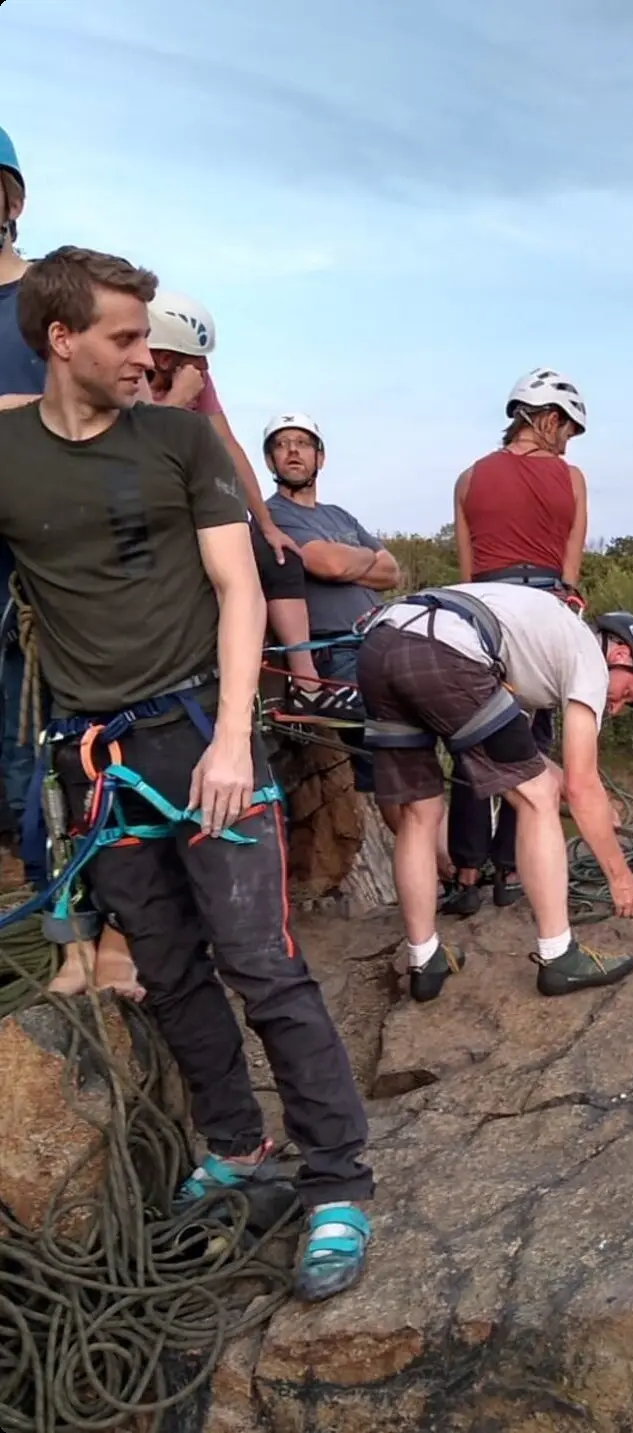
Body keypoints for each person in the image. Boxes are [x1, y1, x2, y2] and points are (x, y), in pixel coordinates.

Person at [0, 245, 373, 1301]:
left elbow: (239, 587)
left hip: (201, 731)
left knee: (262, 961)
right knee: (167, 968)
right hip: (97, 755)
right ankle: (237, 1146)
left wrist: (230, 741)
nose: (147, 355)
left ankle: (339, 1177)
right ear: (62, 339)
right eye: (125, 336)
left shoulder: (178, 442)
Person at [355, 584, 633, 1000]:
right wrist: (620, 876)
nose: (616, 706)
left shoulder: (537, 640)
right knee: (535, 799)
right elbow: (578, 782)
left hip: (381, 644)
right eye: (626, 693)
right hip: (443, 648)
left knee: (419, 811)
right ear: (622, 654)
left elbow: (525, 761)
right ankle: (559, 957)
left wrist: (590, 804)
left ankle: (424, 959)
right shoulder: (589, 656)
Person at [142, 296, 358, 721]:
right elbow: (137, 443)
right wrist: (179, 400)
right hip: (147, 504)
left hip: (188, 495)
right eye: (194, 362)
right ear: (165, 356)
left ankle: (306, 682)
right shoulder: (133, 375)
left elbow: (228, 446)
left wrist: (266, 523)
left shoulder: (195, 378)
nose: (203, 372)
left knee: (275, 555)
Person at [442, 368, 589, 915]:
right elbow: (569, 573)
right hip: (543, 610)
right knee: (528, 749)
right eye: (567, 429)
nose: (567, 442)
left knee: (474, 743)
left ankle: (466, 873)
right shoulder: (572, 479)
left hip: (482, 612)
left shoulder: (467, 479)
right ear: (548, 419)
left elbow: (466, 575)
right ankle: (513, 868)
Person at [264, 414, 401, 787]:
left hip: (382, 640)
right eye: (282, 444)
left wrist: (345, 562)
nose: (293, 451)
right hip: (335, 651)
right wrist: (359, 559)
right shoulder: (271, 515)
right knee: (395, 738)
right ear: (269, 461)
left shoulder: (339, 515)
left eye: (303, 443)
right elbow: (329, 564)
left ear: (319, 458)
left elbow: (392, 572)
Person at [0, 124, 40, 856]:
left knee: (31, 729)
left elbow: (108, 405)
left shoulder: (46, 299)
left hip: (36, 544)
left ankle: (58, 915)